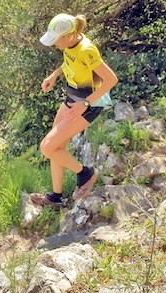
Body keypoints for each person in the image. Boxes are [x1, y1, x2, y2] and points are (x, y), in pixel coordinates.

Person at [31, 13, 118, 208]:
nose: (55, 45)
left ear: (69, 35)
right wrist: (54, 75)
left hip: (88, 104)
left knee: (47, 147)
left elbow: (111, 80)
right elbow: (69, 60)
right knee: (56, 146)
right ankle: (56, 197)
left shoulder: (87, 50)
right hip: (73, 97)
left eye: (56, 40)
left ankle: (86, 173)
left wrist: (85, 104)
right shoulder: (71, 44)